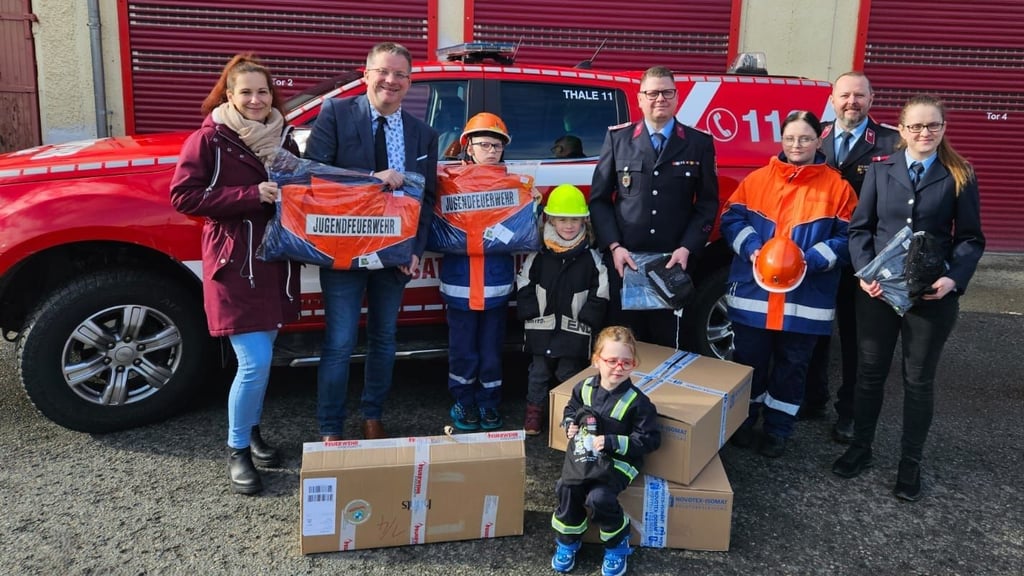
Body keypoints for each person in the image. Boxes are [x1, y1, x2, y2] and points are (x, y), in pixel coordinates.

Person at [833, 95, 985, 501]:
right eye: (915, 126)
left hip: (930, 296)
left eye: (932, 126)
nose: (924, 133)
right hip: (878, 293)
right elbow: (859, 230)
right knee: (869, 374)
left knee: (917, 381)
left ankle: (909, 462)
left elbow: (970, 239)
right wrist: (865, 274)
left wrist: (953, 279)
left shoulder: (959, 174)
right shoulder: (881, 172)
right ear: (900, 131)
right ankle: (861, 448)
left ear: (943, 129)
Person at [170, 54, 301, 495]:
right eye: (245, 91)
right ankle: (237, 450)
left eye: (262, 91)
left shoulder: (285, 138)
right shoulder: (208, 140)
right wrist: (251, 194)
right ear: (229, 95)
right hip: (234, 265)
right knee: (255, 362)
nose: (255, 99)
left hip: (275, 263)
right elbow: (184, 197)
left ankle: (252, 431)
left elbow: (301, 189)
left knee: (263, 361)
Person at [304, 42, 439, 441]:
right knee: (340, 342)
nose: (391, 81)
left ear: (410, 82)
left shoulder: (423, 134)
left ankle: (372, 414)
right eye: (383, 72)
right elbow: (314, 176)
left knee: (384, 339)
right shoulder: (336, 114)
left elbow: (426, 197)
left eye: (400, 75)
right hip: (344, 251)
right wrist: (369, 179)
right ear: (366, 74)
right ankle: (330, 426)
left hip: (394, 255)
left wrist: (414, 250)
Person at [721, 111, 857, 458]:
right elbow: (731, 218)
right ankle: (743, 422)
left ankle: (778, 429)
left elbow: (849, 237)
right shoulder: (757, 180)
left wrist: (809, 260)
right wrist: (753, 249)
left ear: (819, 140)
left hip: (805, 298)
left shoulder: (837, 187)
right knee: (747, 365)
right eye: (791, 138)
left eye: (805, 138)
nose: (797, 145)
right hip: (755, 296)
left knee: (793, 368)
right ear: (781, 141)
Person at [589, 66, 719, 349]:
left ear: (677, 97)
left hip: (673, 263)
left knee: (667, 342)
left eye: (666, 92)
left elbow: (708, 203)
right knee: (623, 344)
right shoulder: (618, 139)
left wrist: (688, 248)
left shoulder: (699, 143)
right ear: (640, 99)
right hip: (626, 262)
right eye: (652, 93)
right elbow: (599, 200)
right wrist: (614, 247)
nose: (660, 98)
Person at [803, 72, 900, 445]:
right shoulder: (815, 137)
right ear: (831, 100)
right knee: (813, 332)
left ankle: (850, 413)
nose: (851, 103)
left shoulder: (893, 142)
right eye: (844, 96)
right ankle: (811, 399)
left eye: (859, 96)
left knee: (858, 342)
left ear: (872, 99)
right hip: (821, 254)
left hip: (867, 261)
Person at [550, 326, 660, 576]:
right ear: (596, 360)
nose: (619, 368)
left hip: (619, 462)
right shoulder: (584, 387)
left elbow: (650, 440)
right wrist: (570, 424)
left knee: (598, 498)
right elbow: (571, 409)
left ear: (634, 364)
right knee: (566, 488)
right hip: (584, 458)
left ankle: (617, 543)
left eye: (627, 362)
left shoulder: (638, 402)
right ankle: (568, 540)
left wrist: (612, 442)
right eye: (612, 361)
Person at [440, 112, 519, 431]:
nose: (491, 151)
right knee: (462, 352)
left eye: (497, 146)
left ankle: (489, 404)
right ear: (467, 147)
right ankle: (464, 400)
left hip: (495, 287)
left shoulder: (514, 186)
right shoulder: (449, 185)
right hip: (460, 288)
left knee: (490, 352)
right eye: (484, 144)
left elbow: (522, 232)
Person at [516, 184, 609, 436]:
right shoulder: (540, 255)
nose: (569, 226)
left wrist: (589, 317)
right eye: (562, 220)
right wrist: (531, 310)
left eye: (575, 220)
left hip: (574, 327)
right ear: (551, 221)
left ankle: (571, 414)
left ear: (584, 222)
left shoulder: (591, 258)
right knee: (538, 372)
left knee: (569, 372)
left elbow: (601, 290)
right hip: (541, 327)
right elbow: (524, 282)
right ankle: (534, 412)